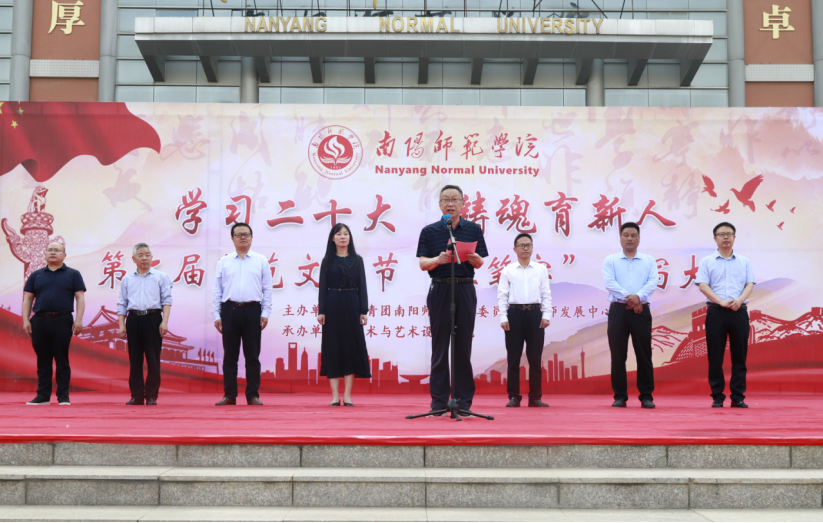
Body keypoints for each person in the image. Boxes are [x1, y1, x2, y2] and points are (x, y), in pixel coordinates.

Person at [416, 185, 488, 413]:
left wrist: (477, 261)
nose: (450, 203)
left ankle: (463, 402)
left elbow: (480, 261)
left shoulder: (473, 229)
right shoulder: (429, 231)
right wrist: (437, 260)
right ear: (439, 204)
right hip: (440, 289)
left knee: (463, 346)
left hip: (465, 289)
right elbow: (423, 263)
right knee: (439, 347)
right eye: (445, 199)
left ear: (463, 203)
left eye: (455, 199)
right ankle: (438, 403)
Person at [696, 222, 755, 409]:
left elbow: (750, 284)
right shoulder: (707, 261)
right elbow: (703, 285)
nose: (726, 237)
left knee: (740, 356)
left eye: (729, 234)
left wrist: (739, 300)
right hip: (716, 311)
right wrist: (720, 301)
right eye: (721, 234)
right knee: (715, 357)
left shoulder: (744, 261)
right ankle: (717, 396)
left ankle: (738, 396)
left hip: (739, 311)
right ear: (715, 238)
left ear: (734, 237)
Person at [212, 222, 273, 406]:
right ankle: (229, 395)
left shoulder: (261, 260)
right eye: (238, 235)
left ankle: (253, 395)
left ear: (252, 237)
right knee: (230, 356)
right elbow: (217, 290)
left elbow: (267, 289)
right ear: (232, 239)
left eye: (246, 234)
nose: (243, 237)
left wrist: (265, 312)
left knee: (252, 356)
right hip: (229, 310)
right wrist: (216, 315)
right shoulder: (223, 262)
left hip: (253, 311)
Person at [21, 242, 86, 406]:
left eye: (57, 250)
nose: (53, 252)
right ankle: (43, 396)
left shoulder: (73, 274)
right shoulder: (36, 275)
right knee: (43, 359)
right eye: (50, 250)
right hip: (39, 320)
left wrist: (78, 319)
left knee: (61, 359)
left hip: (62, 320)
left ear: (64, 255)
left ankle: (63, 396)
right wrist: (26, 320)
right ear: (45, 254)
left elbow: (80, 298)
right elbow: (28, 298)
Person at [602, 222, 659, 409]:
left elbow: (653, 282)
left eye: (633, 235)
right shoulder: (611, 260)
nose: (629, 238)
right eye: (626, 235)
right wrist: (632, 298)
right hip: (618, 311)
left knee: (644, 354)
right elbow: (609, 282)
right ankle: (620, 396)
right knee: (618, 355)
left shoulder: (649, 260)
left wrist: (638, 297)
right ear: (620, 238)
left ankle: (646, 396)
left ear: (639, 238)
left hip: (641, 312)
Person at [316, 223, 372, 406]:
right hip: (332, 304)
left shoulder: (357, 260)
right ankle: (334, 396)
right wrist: (321, 310)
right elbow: (322, 288)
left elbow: (362, 286)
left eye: (346, 234)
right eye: (339, 234)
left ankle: (347, 395)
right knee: (332, 347)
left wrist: (363, 310)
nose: (342, 237)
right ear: (333, 238)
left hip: (352, 304)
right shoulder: (327, 260)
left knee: (350, 348)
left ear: (350, 238)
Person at [497, 233, 551, 408]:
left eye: (528, 245)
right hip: (515, 314)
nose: (525, 248)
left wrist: (546, 315)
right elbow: (502, 295)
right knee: (513, 358)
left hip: (535, 314)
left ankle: (535, 397)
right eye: (521, 245)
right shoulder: (508, 270)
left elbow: (546, 293)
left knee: (535, 358)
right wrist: (503, 317)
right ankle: (514, 396)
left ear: (532, 248)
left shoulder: (541, 269)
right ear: (515, 249)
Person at [117, 243, 173, 406]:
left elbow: (167, 300)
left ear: (152, 257)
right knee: (135, 359)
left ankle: (151, 395)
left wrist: (164, 321)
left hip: (153, 319)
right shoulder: (127, 279)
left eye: (147, 254)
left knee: (153, 359)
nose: (144, 258)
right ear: (133, 259)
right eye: (140, 255)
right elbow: (122, 303)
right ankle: (136, 395)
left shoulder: (161, 277)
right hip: (133, 319)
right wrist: (121, 324)